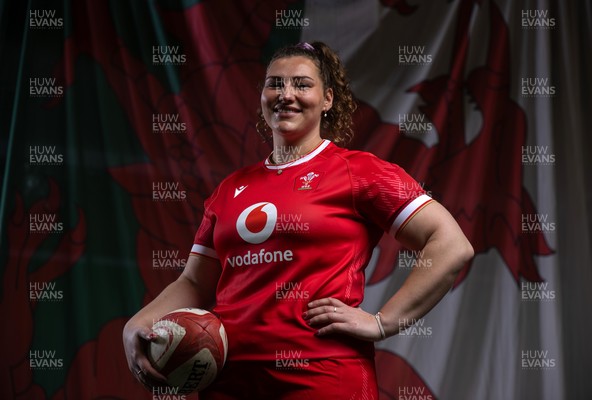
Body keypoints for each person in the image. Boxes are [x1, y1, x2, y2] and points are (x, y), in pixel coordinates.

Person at [123, 41, 474, 399]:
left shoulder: (359, 172)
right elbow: (196, 282)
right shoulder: (230, 189)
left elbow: (451, 245)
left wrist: (382, 322)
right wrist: (137, 324)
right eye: (275, 83)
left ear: (328, 100)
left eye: (302, 84)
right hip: (229, 384)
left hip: (323, 380)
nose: (286, 94)